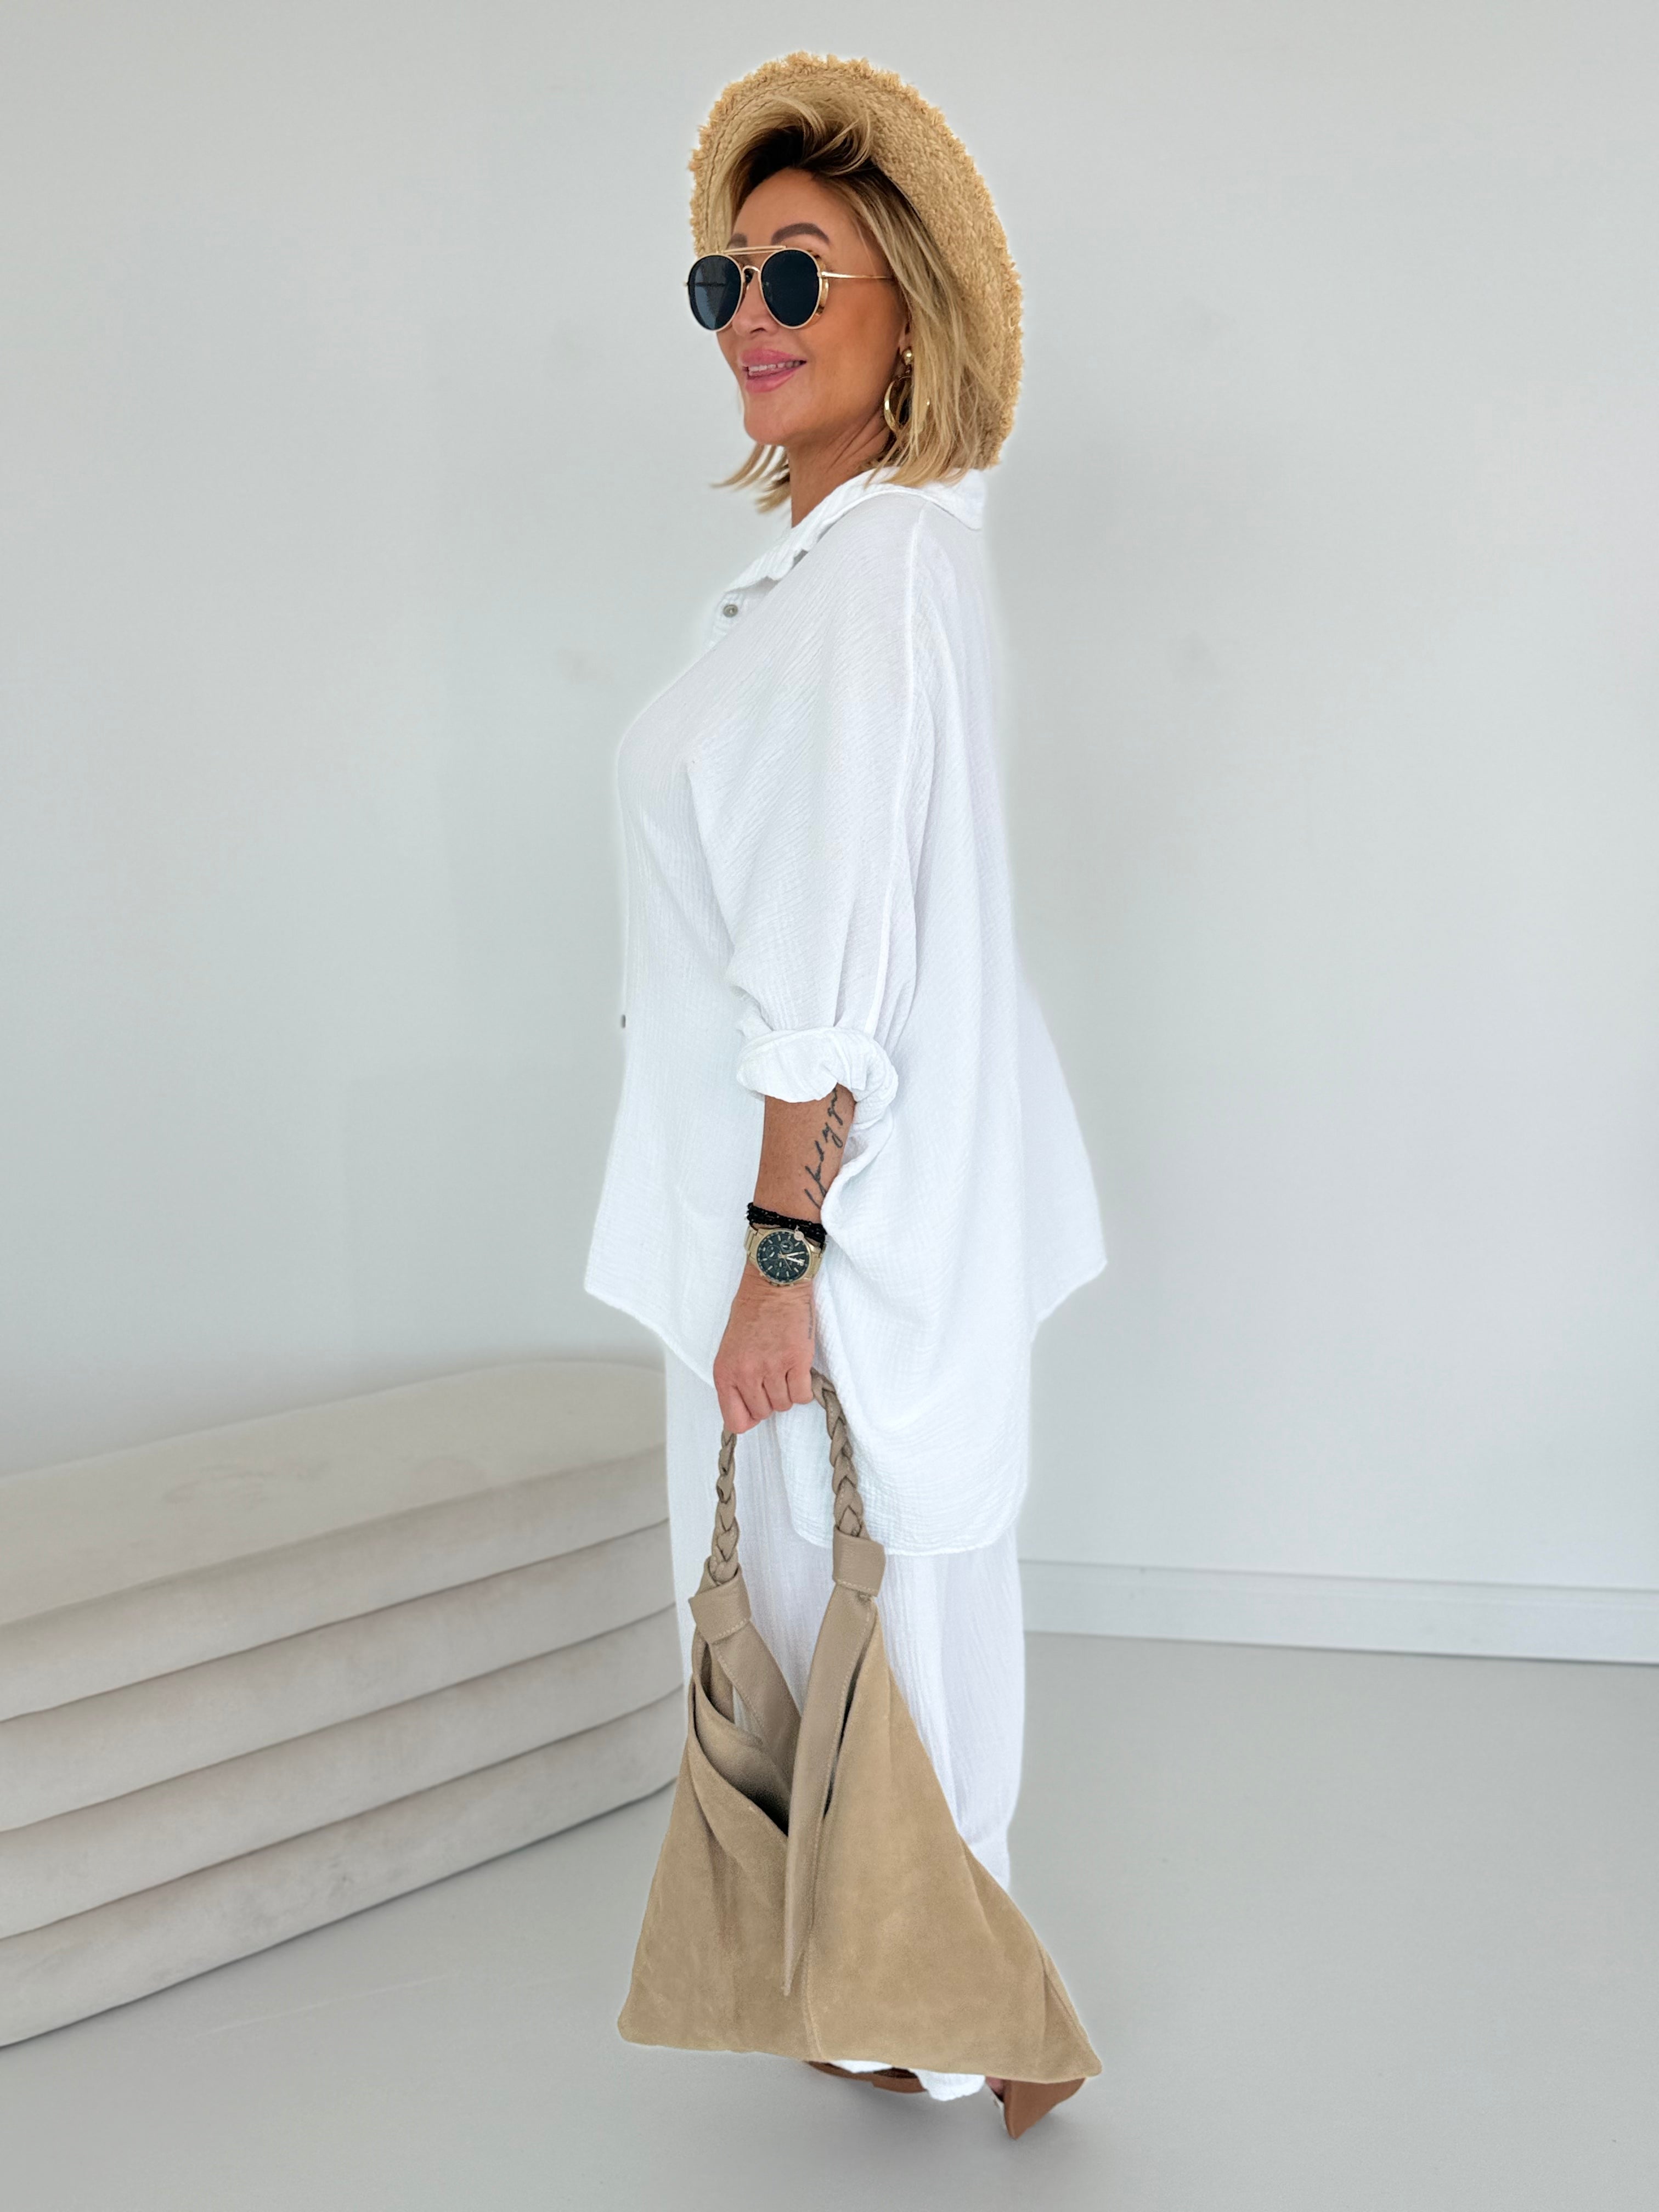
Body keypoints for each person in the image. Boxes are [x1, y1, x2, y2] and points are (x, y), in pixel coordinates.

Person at [584, 52, 1104, 2114]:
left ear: (909, 310)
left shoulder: (876, 575)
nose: (755, 318)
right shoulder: (841, 570)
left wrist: (776, 1261)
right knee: (865, 1615)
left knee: (864, 1617)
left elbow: (830, 970)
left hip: (828, 1230)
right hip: (842, 1215)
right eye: (726, 283)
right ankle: (902, 2005)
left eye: (800, 274)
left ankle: (962, 2018)